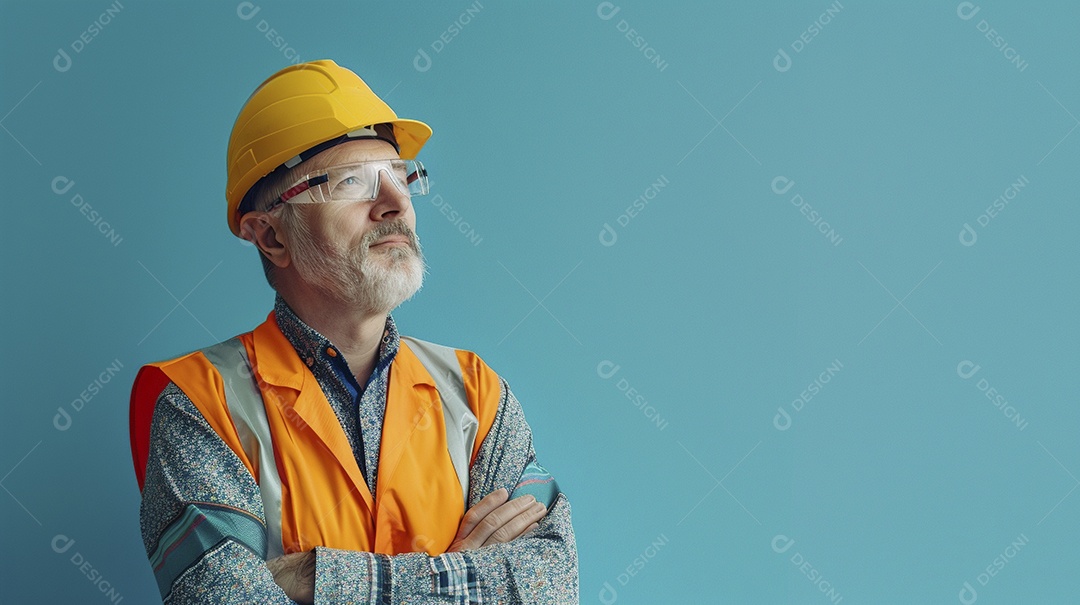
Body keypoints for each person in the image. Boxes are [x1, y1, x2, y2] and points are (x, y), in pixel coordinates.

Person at [128, 59, 578, 604]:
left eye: (400, 176)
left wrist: (318, 578)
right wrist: (460, 577)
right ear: (271, 237)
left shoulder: (477, 394)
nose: (394, 204)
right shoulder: (199, 403)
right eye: (351, 182)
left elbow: (552, 585)